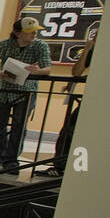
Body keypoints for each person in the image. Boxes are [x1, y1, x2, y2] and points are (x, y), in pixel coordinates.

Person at [0, 17, 50, 175]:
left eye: (35, 31)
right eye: (29, 32)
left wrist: (36, 71)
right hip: (2, 90)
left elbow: (47, 68)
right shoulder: (5, 45)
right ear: (18, 33)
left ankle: (11, 159)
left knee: (19, 127)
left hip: (25, 91)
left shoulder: (40, 46)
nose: (34, 34)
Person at [39, 23, 96, 177]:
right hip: (90, 99)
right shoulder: (95, 52)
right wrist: (86, 51)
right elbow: (77, 72)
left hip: (101, 101)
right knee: (68, 130)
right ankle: (61, 166)